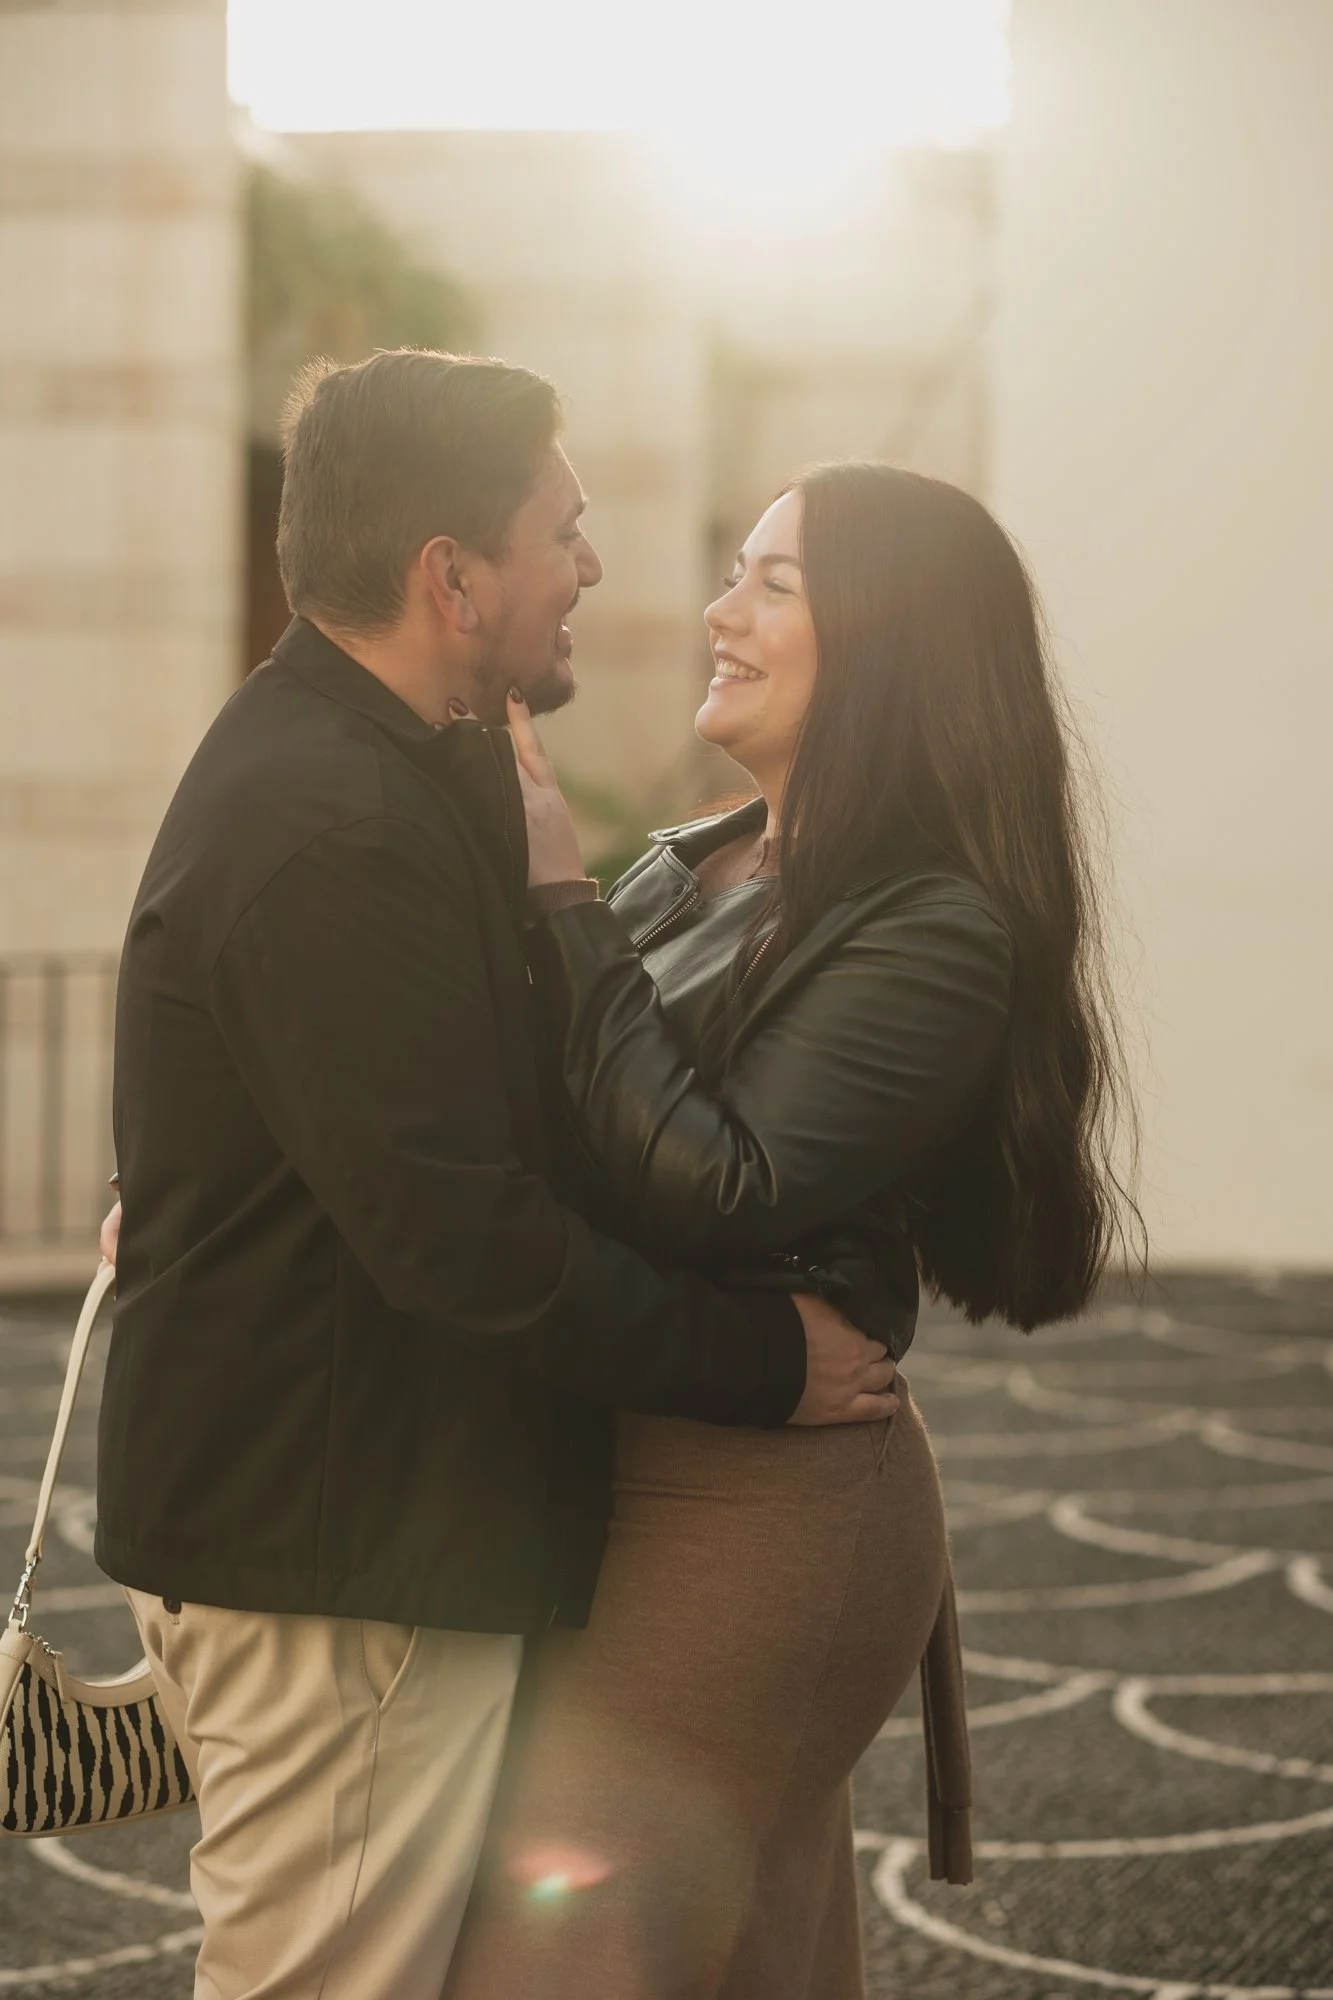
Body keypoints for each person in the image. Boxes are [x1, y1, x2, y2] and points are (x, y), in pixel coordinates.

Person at [94, 351, 894, 2000]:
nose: (595, 567)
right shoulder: (334, 823)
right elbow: (471, 1242)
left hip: (348, 1538)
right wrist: (768, 1362)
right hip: (340, 1571)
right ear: (452, 578)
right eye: (564, 528)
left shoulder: (382, 770)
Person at [442, 462, 1137, 1999]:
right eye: (732, 571)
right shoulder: (696, 862)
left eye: (773, 583)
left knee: (557, 1958)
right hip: (631, 1458)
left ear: (890, 643)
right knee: (756, 1957)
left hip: (761, 1503)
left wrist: (560, 900)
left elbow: (725, 1183)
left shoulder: (932, 920)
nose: (718, 610)